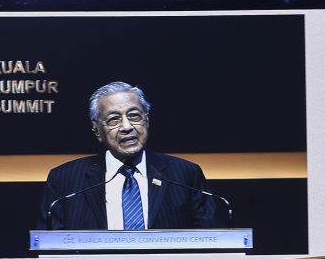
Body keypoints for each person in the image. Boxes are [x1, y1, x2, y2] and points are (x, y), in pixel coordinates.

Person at [38, 81, 215, 230]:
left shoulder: (185, 175)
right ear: (97, 130)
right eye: (114, 119)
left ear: (147, 120)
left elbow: (212, 241)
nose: (126, 126)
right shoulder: (65, 180)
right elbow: (48, 249)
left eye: (134, 116)